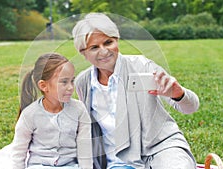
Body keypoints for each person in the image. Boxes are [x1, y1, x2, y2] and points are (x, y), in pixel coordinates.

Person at [72, 13, 200, 169]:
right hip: (117, 160)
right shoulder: (83, 82)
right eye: (94, 47)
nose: (104, 51)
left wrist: (178, 94)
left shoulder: (142, 66)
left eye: (108, 42)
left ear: (117, 41)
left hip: (161, 149)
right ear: (84, 53)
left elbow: (191, 107)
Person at [11, 53, 93, 169]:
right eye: (64, 82)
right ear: (44, 86)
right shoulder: (30, 114)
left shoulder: (79, 109)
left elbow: (85, 146)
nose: (70, 87)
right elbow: (19, 151)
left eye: (72, 81)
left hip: (69, 166)